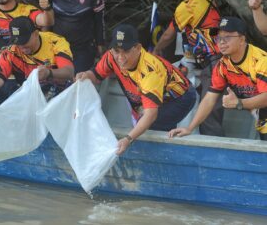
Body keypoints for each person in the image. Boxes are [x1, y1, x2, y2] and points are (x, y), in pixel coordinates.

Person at [76, 24, 196, 155]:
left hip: (180, 96)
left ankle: (162, 159)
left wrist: (128, 138)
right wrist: (85, 75)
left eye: (126, 51)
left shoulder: (150, 71)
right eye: (116, 50)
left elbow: (151, 114)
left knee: (150, 127)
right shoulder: (111, 56)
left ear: (138, 48)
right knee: (141, 127)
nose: (121, 57)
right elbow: (96, 75)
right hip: (149, 96)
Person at [169, 17, 267, 140]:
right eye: (219, 38)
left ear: (242, 39)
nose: (221, 42)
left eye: (227, 37)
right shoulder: (222, 66)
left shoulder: (261, 61)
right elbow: (209, 98)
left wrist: (240, 103)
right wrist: (190, 128)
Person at [153, 0, 224, 137]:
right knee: (212, 111)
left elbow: (168, 36)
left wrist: (156, 50)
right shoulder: (209, 1)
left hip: (214, 62)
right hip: (217, 62)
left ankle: (214, 154)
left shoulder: (188, 5)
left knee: (209, 114)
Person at [0, 16, 74, 103]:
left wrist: (49, 73)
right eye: (18, 42)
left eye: (25, 41)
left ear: (36, 34)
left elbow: (69, 72)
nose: (22, 46)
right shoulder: (12, 50)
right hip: (30, 96)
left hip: (60, 96)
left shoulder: (56, 42)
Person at [50, 0, 105, 74]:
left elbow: (99, 22)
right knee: (56, 82)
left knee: (77, 82)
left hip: (83, 49)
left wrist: (100, 46)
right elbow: (47, 21)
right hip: (58, 48)